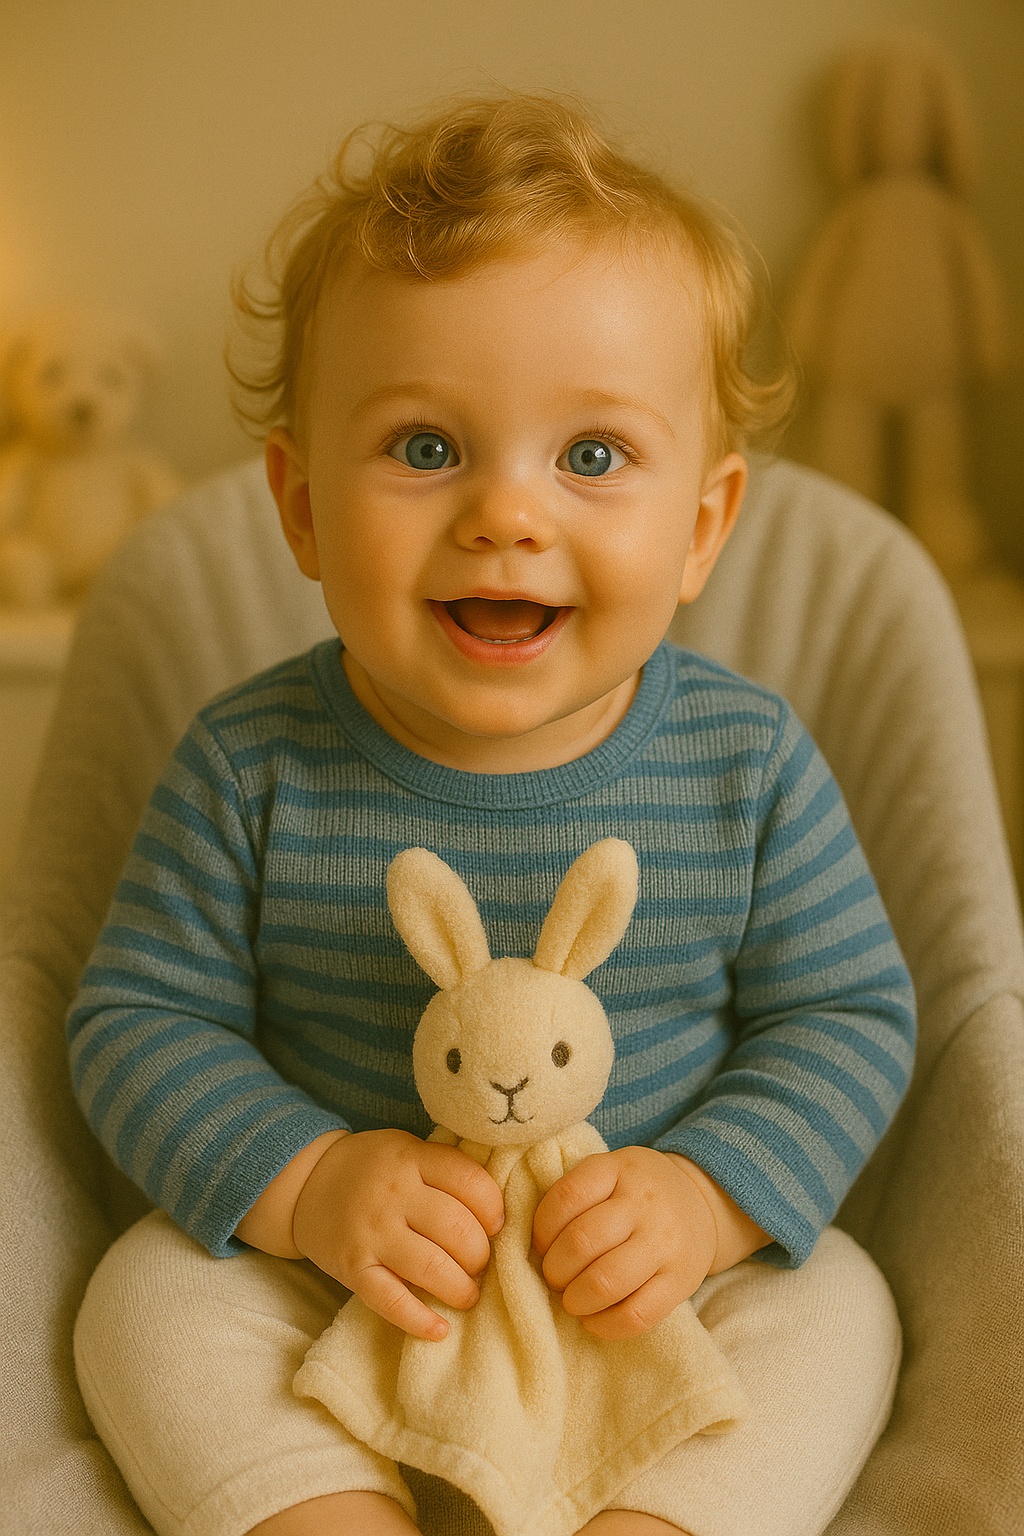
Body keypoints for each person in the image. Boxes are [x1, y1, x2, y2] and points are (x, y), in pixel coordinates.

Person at [68, 93, 915, 1536]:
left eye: (591, 458)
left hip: (642, 1291)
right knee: (144, 1297)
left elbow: (847, 1015)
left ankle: (651, 1520)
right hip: (347, 1288)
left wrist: (705, 1203)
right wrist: (312, 1183)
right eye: (424, 448)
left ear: (703, 526)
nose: (507, 517)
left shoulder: (746, 762)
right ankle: (327, 1510)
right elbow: (138, 1022)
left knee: (841, 1304)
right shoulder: (250, 762)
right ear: (302, 506)